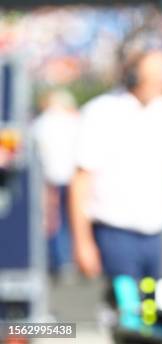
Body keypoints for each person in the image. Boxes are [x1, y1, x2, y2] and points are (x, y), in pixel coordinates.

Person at [70, 50, 162, 283]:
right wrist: (82, 241)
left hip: (156, 236)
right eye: (157, 76)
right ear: (133, 77)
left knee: (153, 309)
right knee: (127, 312)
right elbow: (81, 181)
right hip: (115, 235)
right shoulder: (100, 112)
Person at [32, 89, 79, 275]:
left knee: (55, 221)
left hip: (53, 178)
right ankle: (69, 259)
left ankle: (61, 260)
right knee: (69, 220)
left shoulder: (42, 123)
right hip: (72, 177)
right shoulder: (74, 121)